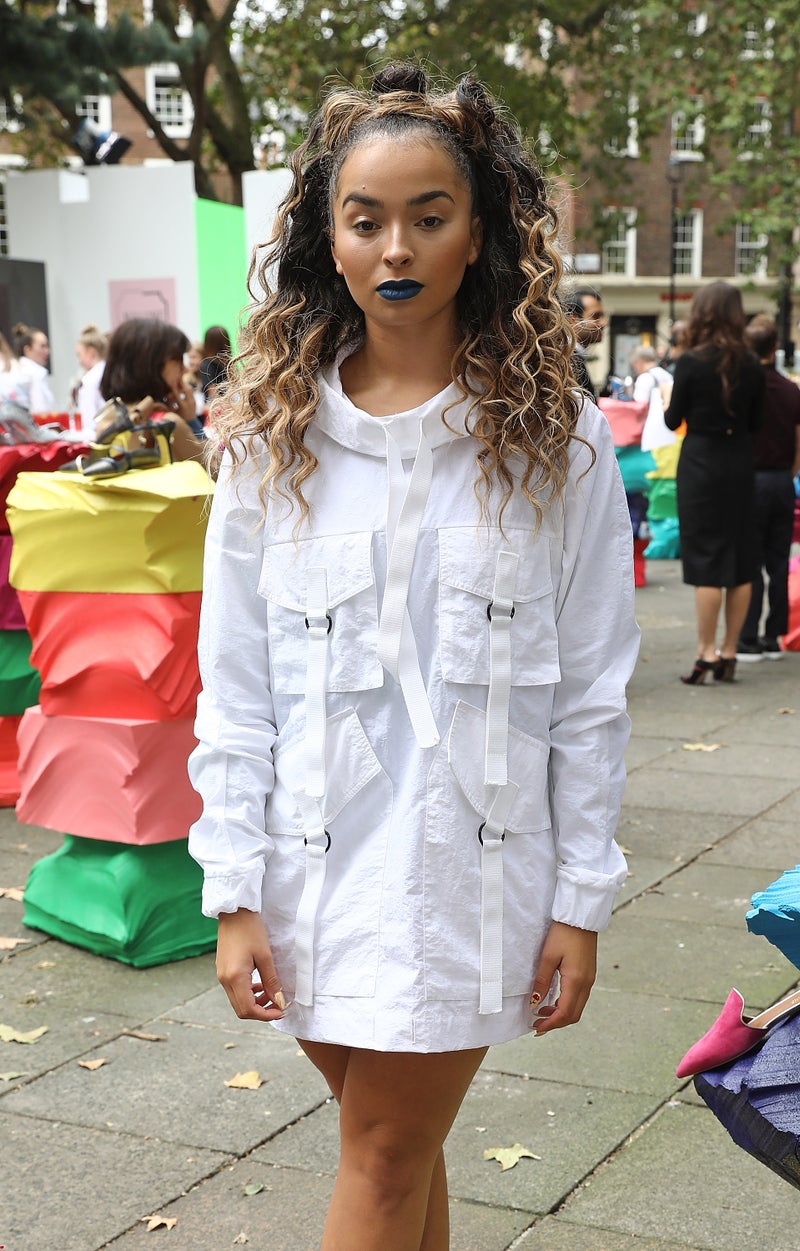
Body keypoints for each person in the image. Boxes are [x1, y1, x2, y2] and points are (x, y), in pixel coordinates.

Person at [187, 62, 639, 1251]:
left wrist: (579, 898)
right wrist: (233, 890)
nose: (396, 247)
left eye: (428, 217)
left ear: (477, 232)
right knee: (397, 1154)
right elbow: (234, 687)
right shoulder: (266, 447)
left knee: (383, 1156)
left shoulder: (556, 444)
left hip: (470, 879)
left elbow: (592, 691)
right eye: (365, 219)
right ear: (326, 241)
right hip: (308, 877)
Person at [665, 281, 765, 684]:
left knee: (706, 560)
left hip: (700, 462)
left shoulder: (691, 362)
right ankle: (730, 650)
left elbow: (673, 420)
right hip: (739, 460)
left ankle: (705, 652)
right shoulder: (752, 363)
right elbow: (757, 423)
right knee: (741, 559)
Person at [736, 316, 800, 661]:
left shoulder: (742, 388)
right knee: (778, 562)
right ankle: (774, 636)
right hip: (781, 480)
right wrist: (790, 473)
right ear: (775, 348)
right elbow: (799, 440)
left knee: (750, 561)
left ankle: (747, 637)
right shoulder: (791, 390)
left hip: (750, 480)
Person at [100, 318, 207, 460]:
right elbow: (216, 468)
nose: (185, 369)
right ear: (152, 365)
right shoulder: (168, 424)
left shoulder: (107, 419)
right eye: (178, 360)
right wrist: (192, 421)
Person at [630, 343, 676, 452]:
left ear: (639, 362)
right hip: (670, 432)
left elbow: (639, 407)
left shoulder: (644, 378)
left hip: (651, 432)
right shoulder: (667, 375)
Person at [563, 286, 606, 399]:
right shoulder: (567, 359)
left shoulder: (572, 356)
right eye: (596, 316)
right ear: (573, 319)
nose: (604, 322)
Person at [11, 323, 55, 413]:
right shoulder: (35, 373)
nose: (47, 351)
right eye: (42, 346)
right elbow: (40, 410)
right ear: (28, 349)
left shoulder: (14, 368)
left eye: (47, 346)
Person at [74, 322, 108, 438]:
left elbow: (89, 423)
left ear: (91, 352)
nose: (79, 361)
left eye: (79, 355)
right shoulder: (110, 372)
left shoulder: (90, 379)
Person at [199, 324, 231, 407]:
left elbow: (211, 391)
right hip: (227, 406)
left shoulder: (207, 364)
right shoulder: (229, 364)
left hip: (219, 407)